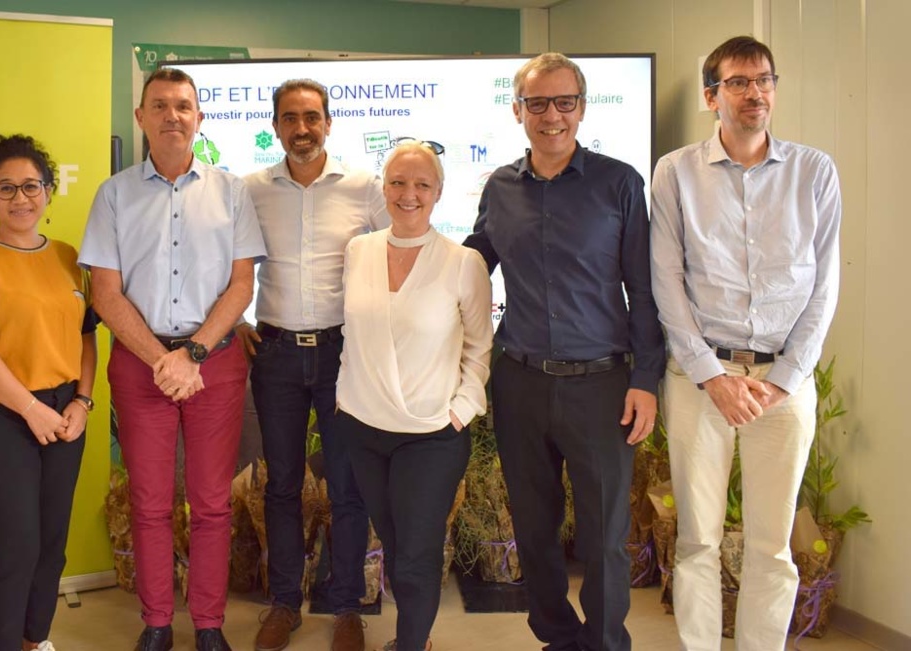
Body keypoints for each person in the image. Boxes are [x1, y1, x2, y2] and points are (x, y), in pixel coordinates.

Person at [463, 53, 665, 651]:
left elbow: (645, 290)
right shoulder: (498, 187)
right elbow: (470, 268)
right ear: (517, 109)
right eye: (537, 103)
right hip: (520, 381)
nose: (551, 116)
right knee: (533, 527)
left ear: (581, 107)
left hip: (603, 386)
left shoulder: (620, 182)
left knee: (604, 534)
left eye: (564, 102)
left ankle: (604, 642)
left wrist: (647, 379)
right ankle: (556, 636)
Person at [650, 36, 841, 651]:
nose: (755, 92)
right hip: (700, 380)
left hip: (783, 385)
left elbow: (825, 283)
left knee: (772, 545)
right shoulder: (677, 171)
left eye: (764, 80)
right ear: (712, 96)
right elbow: (666, 283)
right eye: (738, 82)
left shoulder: (815, 171)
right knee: (699, 539)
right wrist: (712, 376)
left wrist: (784, 377)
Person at [80, 67, 266, 651]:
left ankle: (208, 625)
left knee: (212, 503)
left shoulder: (232, 192)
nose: (172, 116)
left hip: (215, 359)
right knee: (150, 501)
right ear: (141, 118)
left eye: (183, 105)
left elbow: (242, 287)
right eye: (159, 105)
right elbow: (104, 293)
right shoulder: (113, 195)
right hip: (141, 362)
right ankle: (157, 622)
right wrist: (164, 360)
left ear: (199, 117)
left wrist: (193, 355)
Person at [239, 78, 388, 651]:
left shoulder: (364, 188)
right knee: (281, 484)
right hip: (273, 354)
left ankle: (346, 604)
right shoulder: (249, 189)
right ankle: (283, 603)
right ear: (275, 126)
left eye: (312, 117)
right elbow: (223, 264)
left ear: (329, 122)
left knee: (348, 486)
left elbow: (396, 257)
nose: (302, 128)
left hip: (341, 354)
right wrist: (235, 322)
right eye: (290, 118)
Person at [0, 132, 97, 651]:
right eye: (5, 188)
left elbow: (85, 337)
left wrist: (82, 401)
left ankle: (36, 640)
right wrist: (30, 409)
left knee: (52, 544)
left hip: (65, 413)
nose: (20, 198)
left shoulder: (70, 256)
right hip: (2, 415)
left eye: (31, 186)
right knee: (17, 547)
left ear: (49, 192)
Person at [337, 141, 492, 651]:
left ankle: (408, 645)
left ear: (439, 193)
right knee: (396, 544)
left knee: (416, 556)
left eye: (422, 184)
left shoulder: (462, 261)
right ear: (383, 189)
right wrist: (345, 399)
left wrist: (461, 410)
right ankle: (416, 640)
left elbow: (478, 348)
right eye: (398, 183)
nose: (409, 194)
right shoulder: (359, 251)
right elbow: (353, 333)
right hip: (363, 427)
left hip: (430, 435)